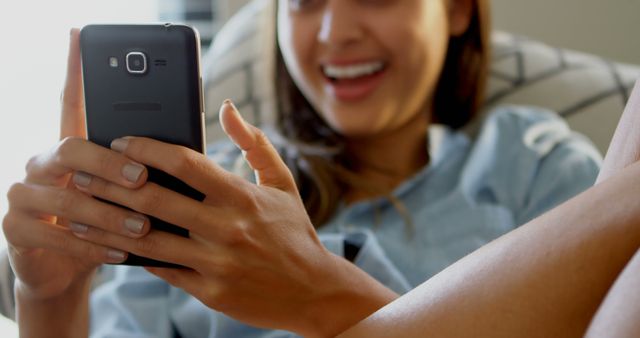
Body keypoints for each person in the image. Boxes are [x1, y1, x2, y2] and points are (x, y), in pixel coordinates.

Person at [5, 0, 636, 337]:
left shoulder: (533, 164)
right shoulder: (201, 194)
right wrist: (52, 304)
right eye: (304, 1)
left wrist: (319, 292)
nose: (335, 31)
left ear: (458, 9)